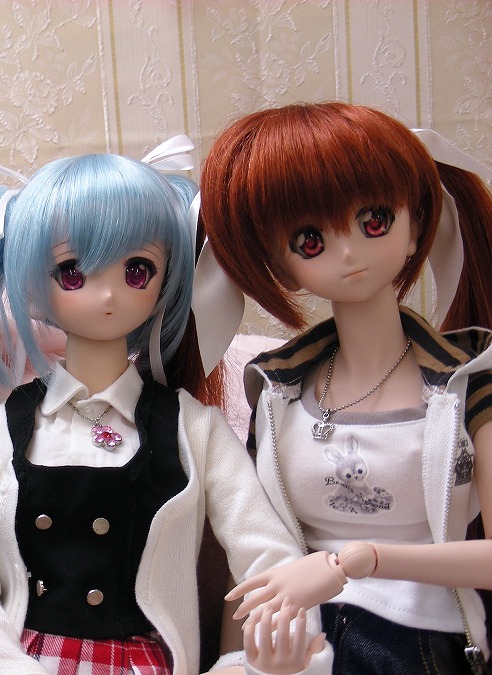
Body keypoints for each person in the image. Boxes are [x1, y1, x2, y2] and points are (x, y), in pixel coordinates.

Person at [0, 148, 334, 674]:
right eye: (71, 271)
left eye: (137, 270)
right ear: (29, 279)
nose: (108, 293)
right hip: (16, 659)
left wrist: (266, 651)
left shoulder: (193, 429)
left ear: (167, 277)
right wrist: (5, 666)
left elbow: (267, 552)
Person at [198, 101, 492, 673]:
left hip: (422, 644)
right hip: (304, 643)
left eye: (374, 221)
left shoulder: (468, 384)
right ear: (280, 266)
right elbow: (254, 552)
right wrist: (239, 658)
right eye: (310, 241)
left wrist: (360, 561)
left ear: (415, 227)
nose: (350, 253)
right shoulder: (276, 391)